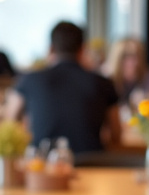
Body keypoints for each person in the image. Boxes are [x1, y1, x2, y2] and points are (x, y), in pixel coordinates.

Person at [6, 22, 120, 154]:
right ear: (82, 49)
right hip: (92, 166)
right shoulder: (103, 83)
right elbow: (116, 134)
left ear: (50, 49)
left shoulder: (29, 80)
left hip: (44, 167)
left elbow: (9, 124)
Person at [102, 37, 149, 105]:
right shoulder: (106, 79)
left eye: (137, 56)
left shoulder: (148, 77)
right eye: (127, 57)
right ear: (117, 59)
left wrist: (147, 98)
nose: (134, 62)